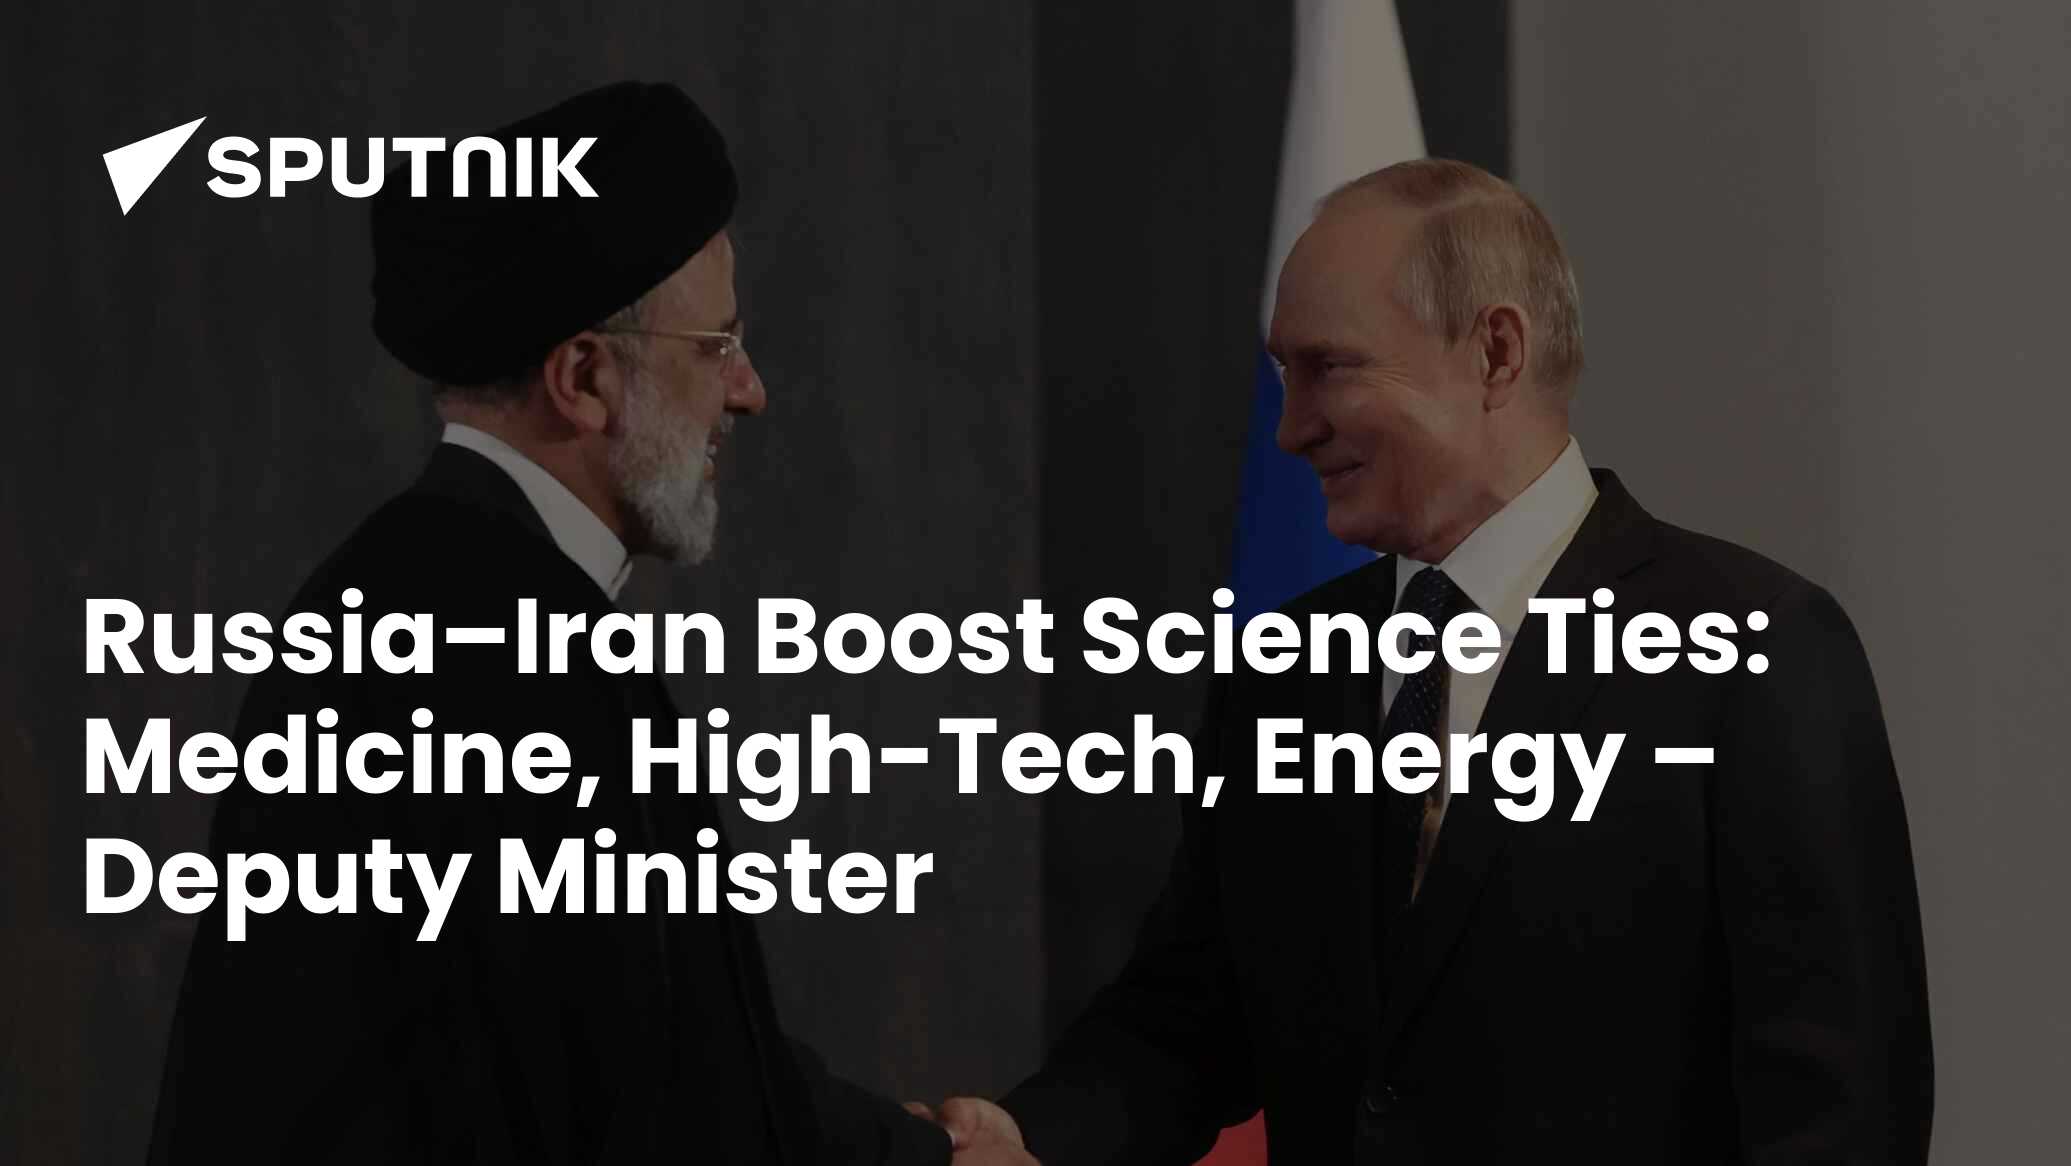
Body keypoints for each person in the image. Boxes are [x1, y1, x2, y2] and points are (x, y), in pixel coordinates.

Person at [923, 159, 1933, 1163]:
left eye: (1329, 366)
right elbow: (1185, 1018)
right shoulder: (1281, 669)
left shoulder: (1753, 649)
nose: (1290, 428)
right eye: (1284, 375)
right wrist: (1024, 1137)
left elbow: (1840, 1114)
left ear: (1495, 352)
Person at [146, 81, 1027, 1166]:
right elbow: (666, 1108)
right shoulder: (522, 660)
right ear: (584, 377)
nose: (747, 390)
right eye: (716, 345)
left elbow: (675, 1051)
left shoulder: (401, 595)